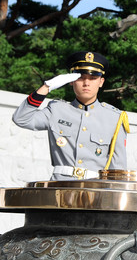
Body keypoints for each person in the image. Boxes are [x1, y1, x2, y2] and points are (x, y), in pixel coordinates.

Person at [12, 51, 129, 180]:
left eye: (93, 78)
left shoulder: (115, 118)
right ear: (71, 81)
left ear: (101, 82)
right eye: (81, 78)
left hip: (95, 190)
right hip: (60, 187)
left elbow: (118, 170)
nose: (86, 83)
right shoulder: (56, 110)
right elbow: (21, 119)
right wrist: (46, 87)